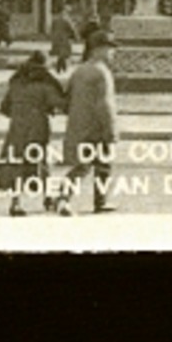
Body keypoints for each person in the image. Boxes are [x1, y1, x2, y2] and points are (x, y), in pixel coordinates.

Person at [0, 50, 67, 215]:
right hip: (37, 127)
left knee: (16, 165)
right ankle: (48, 198)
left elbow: (5, 107)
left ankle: (15, 203)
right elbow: (61, 104)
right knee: (40, 163)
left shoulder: (17, 83)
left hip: (17, 128)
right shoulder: (45, 84)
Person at [59, 30, 120, 215]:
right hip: (98, 128)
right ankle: (100, 202)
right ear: (98, 50)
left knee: (82, 166)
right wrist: (111, 130)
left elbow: (66, 100)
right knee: (104, 166)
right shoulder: (102, 73)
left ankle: (63, 197)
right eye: (109, 49)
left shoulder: (79, 70)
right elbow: (105, 104)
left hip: (80, 126)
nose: (112, 53)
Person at [50, 6, 78, 73]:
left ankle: (62, 67)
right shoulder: (67, 20)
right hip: (64, 39)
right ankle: (61, 67)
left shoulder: (55, 19)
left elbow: (52, 29)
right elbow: (72, 29)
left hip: (56, 39)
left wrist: (53, 37)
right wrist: (75, 37)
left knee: (61, 53)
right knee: (64, 53)